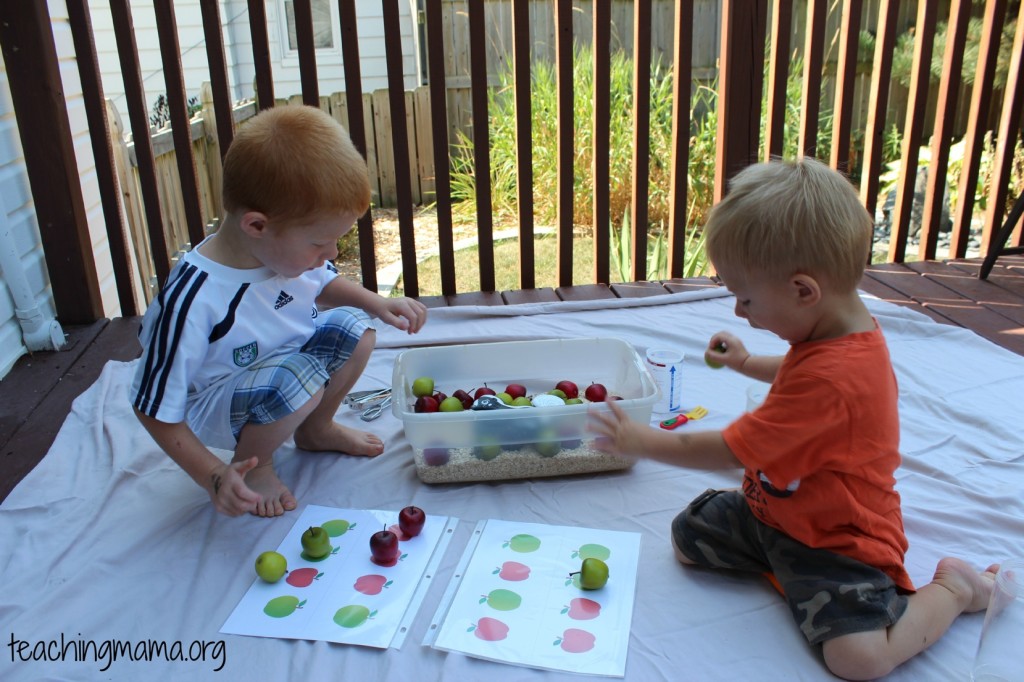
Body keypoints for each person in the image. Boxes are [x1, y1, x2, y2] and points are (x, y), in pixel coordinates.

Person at [590, 157, 997, 680]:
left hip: (837, 539)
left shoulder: (833, 380)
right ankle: (783, 566)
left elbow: (727, 450)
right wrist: (743, 363)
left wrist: (640, 440)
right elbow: (796, 367)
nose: (740, 312)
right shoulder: (837, 332)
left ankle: (957, 588)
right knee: (688, 539)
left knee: (859, 660)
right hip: (775, 516)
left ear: (803, 291)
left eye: (745, 298)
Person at [130, 105, 427, 518]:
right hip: (219, 399)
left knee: (355, 328)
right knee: (299, 377)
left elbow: (323, 282)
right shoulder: (195, 298)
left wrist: (378, 303)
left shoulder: (281, 252)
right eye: (320, 243)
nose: (331, 254)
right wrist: (214, 474)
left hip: (285, 372)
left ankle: (315, 430)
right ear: (256, 225)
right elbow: (151, 406)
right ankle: (255, 464)